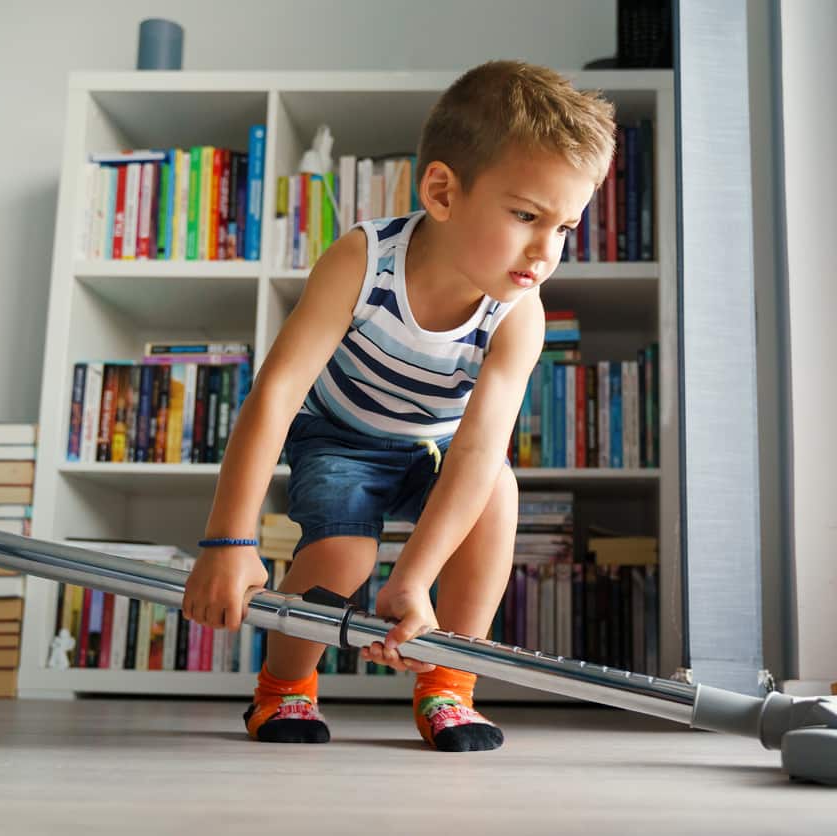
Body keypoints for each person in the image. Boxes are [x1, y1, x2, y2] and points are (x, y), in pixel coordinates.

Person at [182, 60, 616, 751]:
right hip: (338, 438)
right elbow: (276, 392)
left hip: (431, 449)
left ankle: (449, 683)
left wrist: (412, 581)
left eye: (564, 227)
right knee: (346, 556)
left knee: (498, 488)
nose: (545, 250)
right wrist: (228, 543)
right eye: (525, 215)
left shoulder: (518, 313)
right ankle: (284, 690)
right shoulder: (363, 259)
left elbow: (477, 450)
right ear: (442, 191)